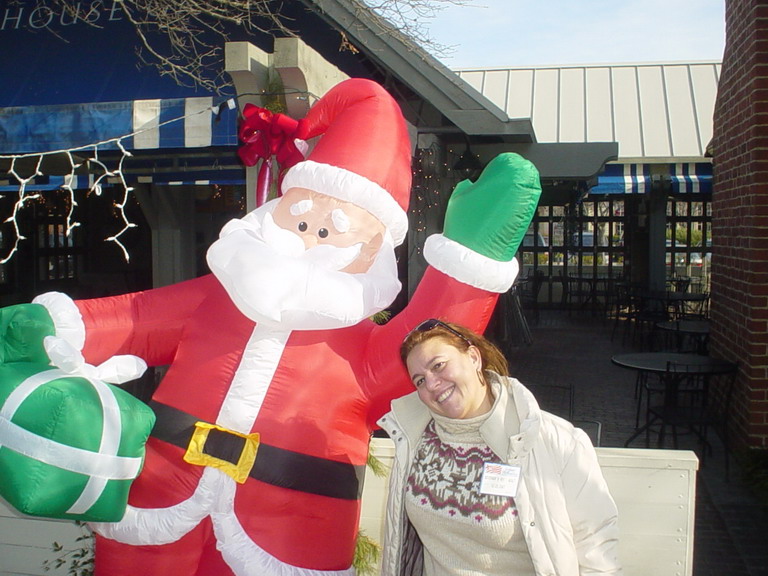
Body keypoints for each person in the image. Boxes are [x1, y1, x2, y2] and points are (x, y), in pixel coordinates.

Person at [0, 78, 543, 576]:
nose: (309, 238)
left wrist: (469, 262)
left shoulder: (367, 350)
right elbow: (136, 318)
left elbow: (435, 342)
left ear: (376, 249)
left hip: (288, 527)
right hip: (160, 499)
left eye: (333, 230)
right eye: (301, 219)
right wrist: (41, 325)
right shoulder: (215, 297)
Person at [378, 319, 622, 576]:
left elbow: (596, 548)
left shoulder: (554, 440)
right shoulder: (413, 438)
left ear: (473, 357)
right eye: (419, 381)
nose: (432, 384)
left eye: (438, 366)